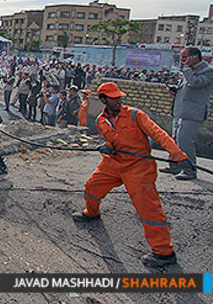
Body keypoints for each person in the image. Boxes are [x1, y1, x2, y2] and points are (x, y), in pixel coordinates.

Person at [72, 82, 189, 268]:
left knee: (148, 208)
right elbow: (111, 142)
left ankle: (163, 252)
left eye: (119, 97)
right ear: (103, 100)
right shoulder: (100, 121)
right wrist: (107, 148)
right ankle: (91, 213)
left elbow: (159, 134)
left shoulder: (136, 115)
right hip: (113, 164)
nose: (118, 101)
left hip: (138, 167)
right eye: (113, 98)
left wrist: (178, 155)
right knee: (92, 186)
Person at [162, 47, 213, 180]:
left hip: (193, 113)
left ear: (195, 57)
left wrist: (188, 70)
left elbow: (196, 83)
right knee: (175, 140)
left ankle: (189, 170)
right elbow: (187, 88)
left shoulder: (208, 71)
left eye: (185, 57)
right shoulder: (189, 72)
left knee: (185, 141)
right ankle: (174, 165)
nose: (182, 60)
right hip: (180, 111)